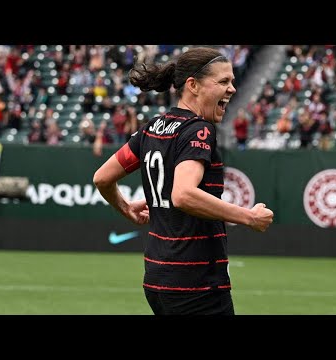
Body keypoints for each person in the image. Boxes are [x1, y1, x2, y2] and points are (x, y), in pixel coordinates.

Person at [93, 46, 274, 315]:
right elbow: (183, 194)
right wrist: (248, 217)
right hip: (195, 284)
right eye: (223, 81)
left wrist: (126, 207)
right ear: (193, 85)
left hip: (157, 278)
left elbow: (102, 178)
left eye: (233, 81)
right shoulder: (198, 130)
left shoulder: (152, 128)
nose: (232, 89)